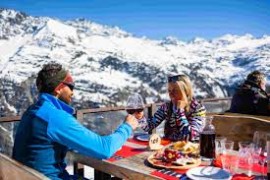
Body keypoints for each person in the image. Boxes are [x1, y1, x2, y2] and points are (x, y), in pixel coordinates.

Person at [12, 62, 138, 180]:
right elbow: (104, 149)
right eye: (70, 86)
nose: (73, 92)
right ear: (59, 88)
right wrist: (127, 126)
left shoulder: (32, 111)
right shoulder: (54, 117)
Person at [137, 74, 206, 141]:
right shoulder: (167, 107)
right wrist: (140, 118)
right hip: (168, 147)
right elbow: (149, 126)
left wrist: (179, 112)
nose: (171, 94)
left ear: (186, 91)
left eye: (175, 91)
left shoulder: (198, 109)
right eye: (169, 91)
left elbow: (190, 136)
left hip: (190, 149)